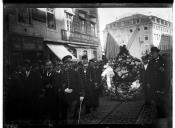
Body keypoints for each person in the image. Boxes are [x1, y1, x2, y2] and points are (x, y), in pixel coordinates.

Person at [146, 47, 168, 128]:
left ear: (157, 53)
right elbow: (147, 72)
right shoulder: (150, 62)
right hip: (153, 83)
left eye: (154, 53)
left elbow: (168, 71)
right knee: (155, 99)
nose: (153, 54)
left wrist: (164, 70)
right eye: (152, 53)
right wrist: (148, 82)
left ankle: (162, 116)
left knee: (161, 100)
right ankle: (157, 115)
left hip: (161, 83)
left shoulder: (163, 61)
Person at [60, 55, 84, 124]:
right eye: (66, 63)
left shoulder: (75, 72)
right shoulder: (61, 73)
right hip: (64, 97)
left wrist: (82, 94)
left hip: (74, 96)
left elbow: (80, 83)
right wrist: (64, 89)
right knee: (65, 113)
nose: (68, 64)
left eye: (69, 63)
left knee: (72, 113)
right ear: (64, 64)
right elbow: (59, 83)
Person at [40, 60, 62, 125]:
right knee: (47, 111)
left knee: (55, 112)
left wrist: (50, 86)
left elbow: (57, 84)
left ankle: (55, 122)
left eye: (50, 65)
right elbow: (42, 83)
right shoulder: (44, 74)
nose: (48, 67)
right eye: (47, 65)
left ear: (52, 66)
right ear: (45, 66)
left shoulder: (55, 74)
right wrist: (44, 88)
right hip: (46, 96)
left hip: (54, 96)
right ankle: (49, 122)